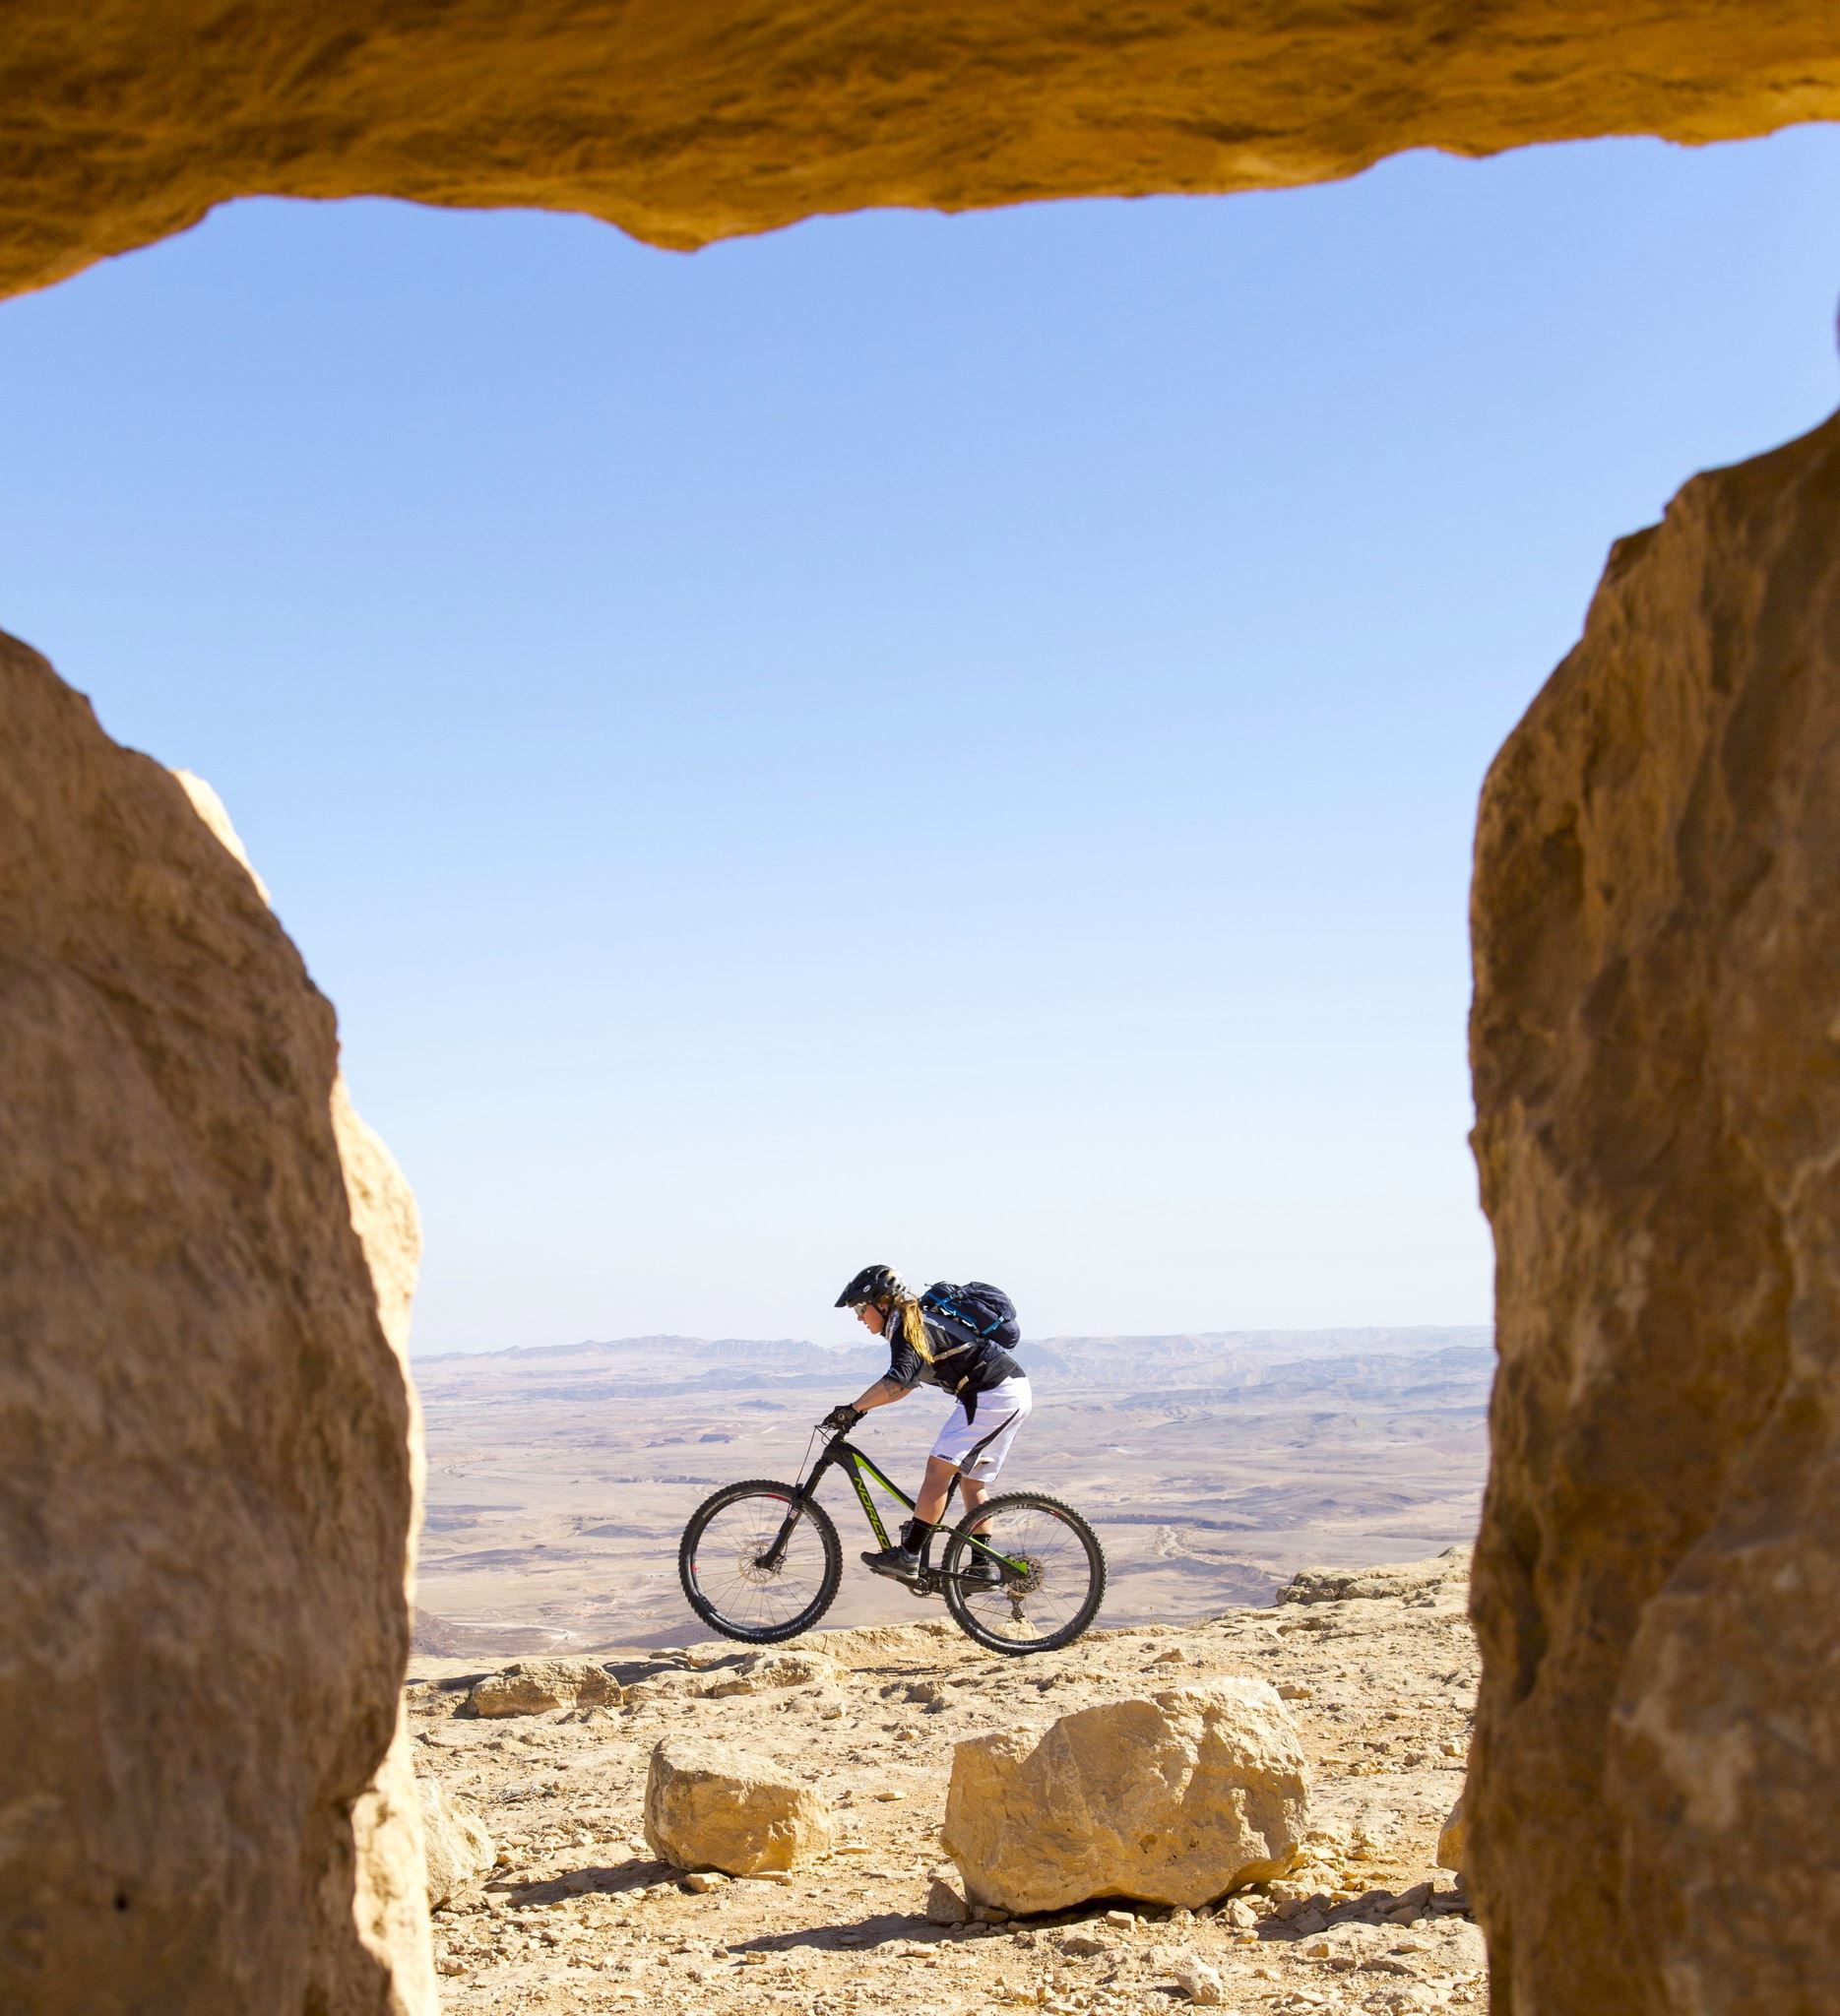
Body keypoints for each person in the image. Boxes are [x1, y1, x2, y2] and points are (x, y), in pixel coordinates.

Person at [821, 1263, 1031, 1586]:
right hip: (1005, 1392)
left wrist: (853, 1409)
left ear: (884, 1302)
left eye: (862, 1308)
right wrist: (860, 1409)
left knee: (938, 1470)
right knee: (971, 1483)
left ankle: (909, 1557)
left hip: (992, 1395)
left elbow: (897, 1382)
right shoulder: (915, 1320)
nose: (860, 1317)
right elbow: (902, 1386)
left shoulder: (909, 1323)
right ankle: (981, 1567)